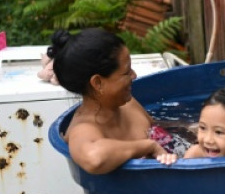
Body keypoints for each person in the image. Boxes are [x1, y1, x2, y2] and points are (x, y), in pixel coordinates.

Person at [50, 28, 169, 174]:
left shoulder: (129, 105)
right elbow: (94, 159)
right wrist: (148, 147)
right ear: (98, 83)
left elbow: (164, 132)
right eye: (127, 72)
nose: (134, 75)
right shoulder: (83, 129)